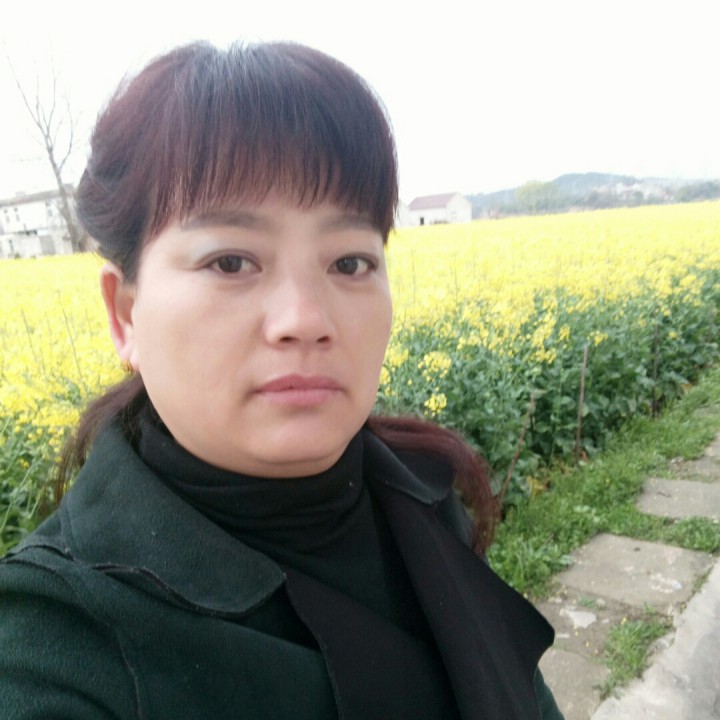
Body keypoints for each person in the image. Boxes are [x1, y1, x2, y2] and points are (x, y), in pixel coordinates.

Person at [0, 41, 564, 720]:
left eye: (350, 263)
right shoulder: (52, 641)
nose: (306, 320)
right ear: (125, 314)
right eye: (231, 262)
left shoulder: (421, 493)